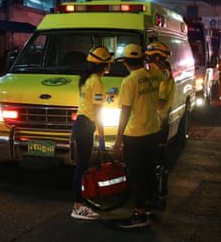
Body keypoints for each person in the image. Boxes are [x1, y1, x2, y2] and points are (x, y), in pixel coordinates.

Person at [114, 44, 163, 228]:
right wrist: (150, 61)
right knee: (149, 171)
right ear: (142, 59)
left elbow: (124, 112)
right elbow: (165, 72)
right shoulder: (154, 74)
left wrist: (118, 140)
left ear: (125, 62)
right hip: (153, 131)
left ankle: (140, 214)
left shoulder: (129, 81)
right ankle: (148, 205)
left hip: (135, 134)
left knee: (136, 175)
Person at [70, 46, 112, 220]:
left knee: (83, 165)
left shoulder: (87, 79)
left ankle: (81, 202)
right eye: (108, 62)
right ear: (103, 65)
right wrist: (102, 135)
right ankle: (78, 206)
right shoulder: (96, 81)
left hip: (81, 124)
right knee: (81, 166)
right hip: (86, 125)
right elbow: (98, 110)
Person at [145, 41, 174, 211]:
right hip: (160, 123)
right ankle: (159, 193)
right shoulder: (162, 73)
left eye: (150, 58)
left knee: (156, 160)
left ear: (157, 57)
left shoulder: (163, 76)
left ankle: (157, 194)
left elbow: (160, 102)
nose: (147, 61)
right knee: (159, 158)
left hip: (158, 124)